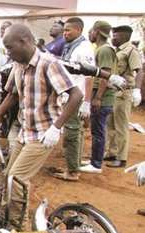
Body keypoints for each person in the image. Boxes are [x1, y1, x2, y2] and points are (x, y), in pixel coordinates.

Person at [0, 24, 83, 226]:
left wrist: (56, 127)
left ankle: (20, 228)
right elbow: (12, 95)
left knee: (16, 179)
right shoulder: (18, 65)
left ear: (24, 41)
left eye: (10, 48)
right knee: (6, 178)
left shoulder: (48, 63)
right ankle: (5, 217)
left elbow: (76, 94)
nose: (8, 53)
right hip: (25, 132)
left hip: (44, 134)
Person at [52, 17, 94, 182]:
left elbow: (89, 76)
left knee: (71, 133)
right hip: (69, 95)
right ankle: (73, 165)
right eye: (64, 30)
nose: (65, 33)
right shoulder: (71, 46)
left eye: (68, 30)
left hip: (76, 97)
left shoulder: (83, 49)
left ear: (79, 30)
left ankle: (72, 171)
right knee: (75, 132)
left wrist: (87, 102)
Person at [80, 21, 116, 174]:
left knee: (98, 131)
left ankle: (96, 164)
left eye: (92, 30)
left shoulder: (105, 50)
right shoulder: (100, 49)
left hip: (103, 97)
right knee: (96, 130)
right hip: (99, 95)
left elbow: (105, 76)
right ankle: (95, 159)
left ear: (98, 32)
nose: (90, 34)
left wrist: (98, 97)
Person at [105, 25, 142, 168]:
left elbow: (139, 71)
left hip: (124, 93)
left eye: (115, 36)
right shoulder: (116, 51)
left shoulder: (131, 51)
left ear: (124, 37)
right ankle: (111, 153)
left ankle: (121, 158)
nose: (113, 38)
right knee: (110, 125)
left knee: (121, 126)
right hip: (113, 92)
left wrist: (137, 90)